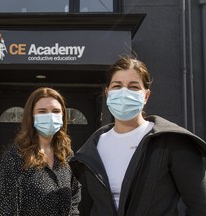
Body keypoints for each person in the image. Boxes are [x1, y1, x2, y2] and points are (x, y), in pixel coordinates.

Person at [69, 56, 206, 216]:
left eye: (133, 87)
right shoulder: (93, 148)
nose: (124, 92)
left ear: (146, 96)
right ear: (107, 93)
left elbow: (201, 205)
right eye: (117, 86)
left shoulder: (171, 141)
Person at [0, 87, 80, 216]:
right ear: (31, 116)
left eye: (56, 111)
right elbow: (8, 209)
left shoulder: (67, 154)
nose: (50, 116)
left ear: (63, 115)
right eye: (42, 111)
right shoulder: (15, 156)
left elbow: (75, 198)